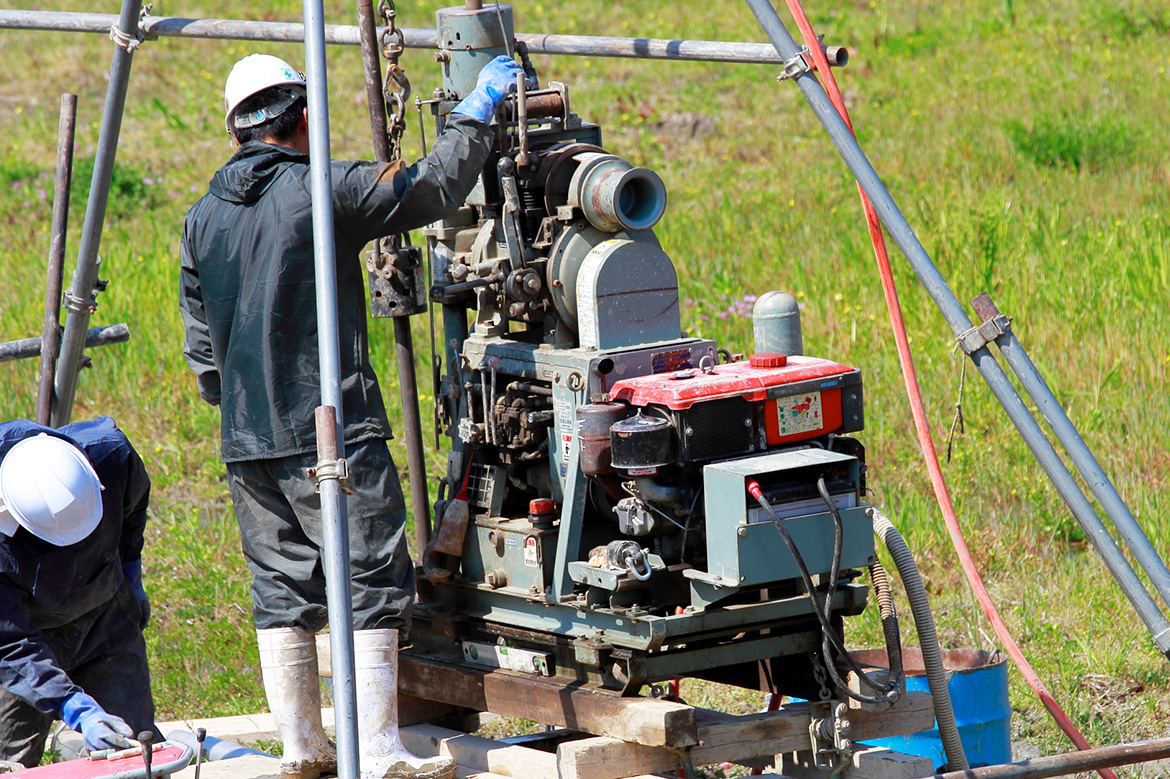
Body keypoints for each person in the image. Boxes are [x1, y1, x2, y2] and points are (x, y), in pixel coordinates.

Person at [179, 52, 523, 779]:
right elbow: (431, 185)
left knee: (281, 585)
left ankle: (304, 747)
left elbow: (202, 346)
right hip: (330, 427)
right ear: (302, 116)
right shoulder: (322, 190)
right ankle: (379, 749)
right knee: (369, 574)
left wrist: (242, 408)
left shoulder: (201, 219)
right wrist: (477, 111)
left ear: (235, 130)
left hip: (247, 440)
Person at [0, 417, 155, 768]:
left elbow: (132, 513)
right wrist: (75, 708)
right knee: (10, 759)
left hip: (107, 619)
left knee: (136, 748)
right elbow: (7, 642)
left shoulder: (110, 456)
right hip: (27, 637)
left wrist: (132, 574)